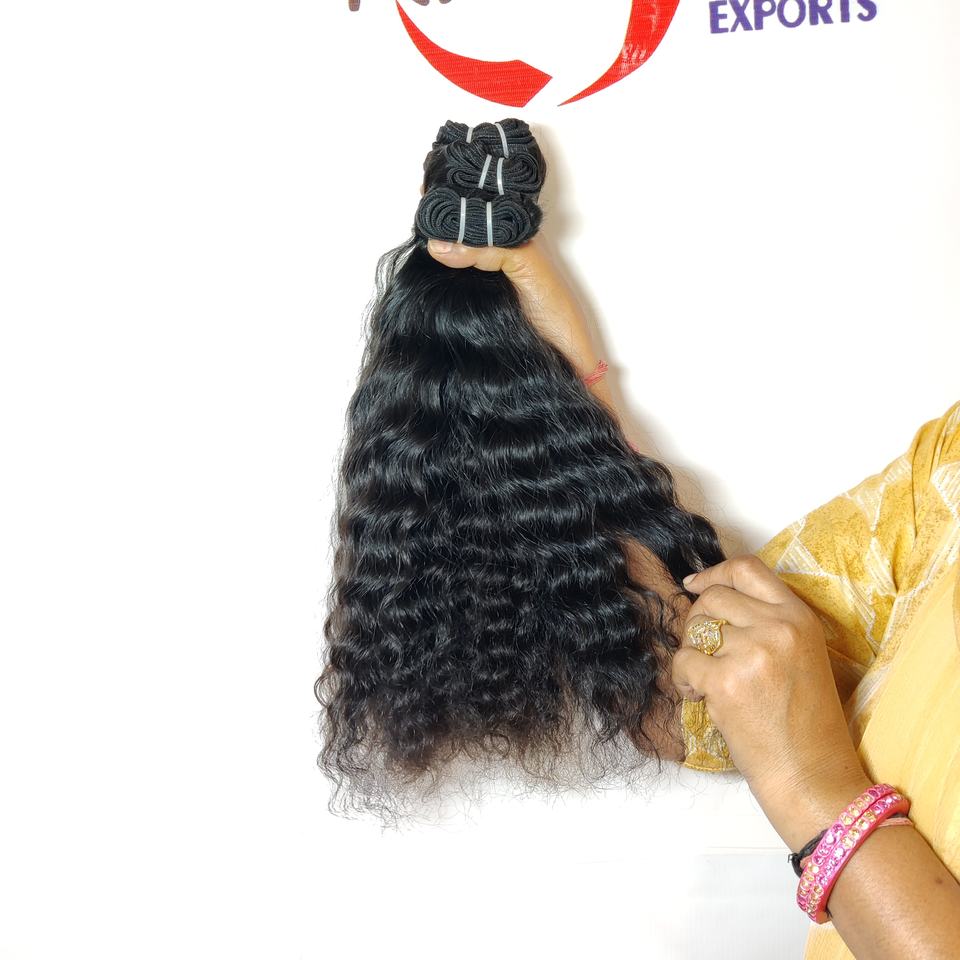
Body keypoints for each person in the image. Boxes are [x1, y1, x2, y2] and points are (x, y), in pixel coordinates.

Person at [426, 236, 960, 960]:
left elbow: (766, 729)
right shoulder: (949, 475)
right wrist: (571, 407)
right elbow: (704, 694)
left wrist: (812, 788)